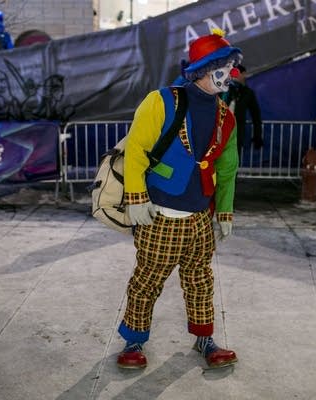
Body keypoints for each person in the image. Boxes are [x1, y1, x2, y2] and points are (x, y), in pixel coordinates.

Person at [116, 29, 241, 370]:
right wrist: (136, 197)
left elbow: (228, 168)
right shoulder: (161, 101)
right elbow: (137, 149)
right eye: (224, 67)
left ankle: (205, 339)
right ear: (202, 69)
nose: (230, 74)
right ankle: (134, 340)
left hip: (200, 217)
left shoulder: (225, 117)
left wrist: (225, 212)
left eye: (232, 66)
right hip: (161, 215)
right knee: (148, 280)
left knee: (201, 281)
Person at [222, 64, 263, 155]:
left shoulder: (247, 93)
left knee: (233, 159)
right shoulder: (223, 90)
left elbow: (256, 115)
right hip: (220, 132)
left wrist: (257, 135)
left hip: (236, 134)